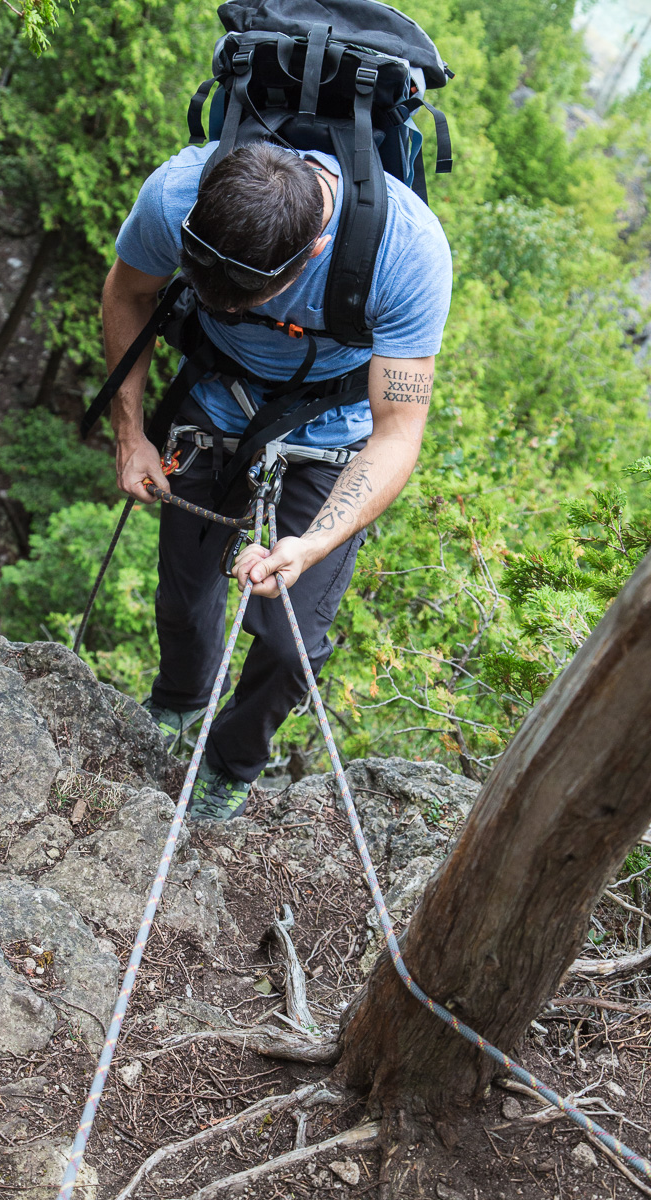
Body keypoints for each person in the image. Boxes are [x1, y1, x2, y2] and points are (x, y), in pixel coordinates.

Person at [102, 140, 452, 820]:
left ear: (315, 251)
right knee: (183, 594)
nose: (224, 307)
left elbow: (398, 432)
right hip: (213, 398)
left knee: (291, 644)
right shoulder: (174, 194)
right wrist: (130, 433)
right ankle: (179, 700)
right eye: (208, 289)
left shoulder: (406, 253)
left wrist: (314, 543)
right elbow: (129, 289)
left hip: (334, 428)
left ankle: (230, 763)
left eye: (244, 298)